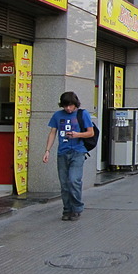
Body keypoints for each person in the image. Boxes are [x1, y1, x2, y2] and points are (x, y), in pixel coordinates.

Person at [42, 91, 95, 221]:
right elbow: (52, 133)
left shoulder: (83, 114)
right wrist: (47, 150)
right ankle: (67, 209)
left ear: (75, 104)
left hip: (78, 151)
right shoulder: (57, 115)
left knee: (73, 180)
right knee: (64, 184)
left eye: (70, 106)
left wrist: (77, 135)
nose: (68, 109)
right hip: (62, 152)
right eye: (65, 106)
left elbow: (90, 133)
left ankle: (77, 208)